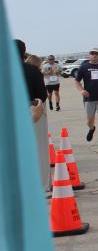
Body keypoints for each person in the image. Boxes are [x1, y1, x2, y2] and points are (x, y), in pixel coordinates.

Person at [16, 40, 49, 189]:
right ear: (24, 53)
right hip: (32, 109)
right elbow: (42, 94)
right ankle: (42, 186)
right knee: (39, 148)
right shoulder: (32, 70)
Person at [74, 48, 98, 149]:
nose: (94, 55)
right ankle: (91, 128)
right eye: (92, 53)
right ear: (89, 55)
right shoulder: (84, 67)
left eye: (96, 53)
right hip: (89, 98)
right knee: (90, 121)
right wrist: (81, 90)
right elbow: (77, 81)